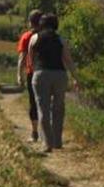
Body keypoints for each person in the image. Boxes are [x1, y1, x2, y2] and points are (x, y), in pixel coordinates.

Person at [28, 13, 80, 153]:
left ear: (41, 24)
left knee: (43, 109)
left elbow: (30, 60)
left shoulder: (34, 38)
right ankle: (57, 141)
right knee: (58, 108)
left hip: (41, 74)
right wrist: (75, 77)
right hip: (59, 75)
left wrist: (34, 71)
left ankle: (47, 143)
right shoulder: (61, 39)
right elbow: (68, 60)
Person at [16, 9, 43, 142]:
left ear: (30, 22)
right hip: (46, 72)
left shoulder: (27, 37)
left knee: (33, 102)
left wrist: (19, 75)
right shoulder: (47, 36)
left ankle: (34, 132)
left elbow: (22, 57)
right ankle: (47, 132)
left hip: (32, 73)